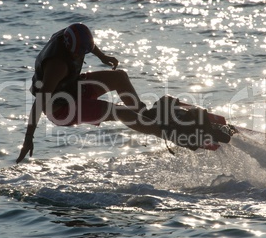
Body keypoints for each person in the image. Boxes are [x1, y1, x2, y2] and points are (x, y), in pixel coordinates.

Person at [16, 23, 164, 163]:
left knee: (119, 77)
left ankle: (145, 116)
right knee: (118, 111)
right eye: (77, 54)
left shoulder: (71, 35)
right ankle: (164, 132)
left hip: (74, 87)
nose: (79, 56)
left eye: (82, 53)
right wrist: (28, 137)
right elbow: (40, 101)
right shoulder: (57, 66)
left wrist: (102, 57)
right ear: (69, 47)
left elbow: (89, 45)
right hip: (63, 109)